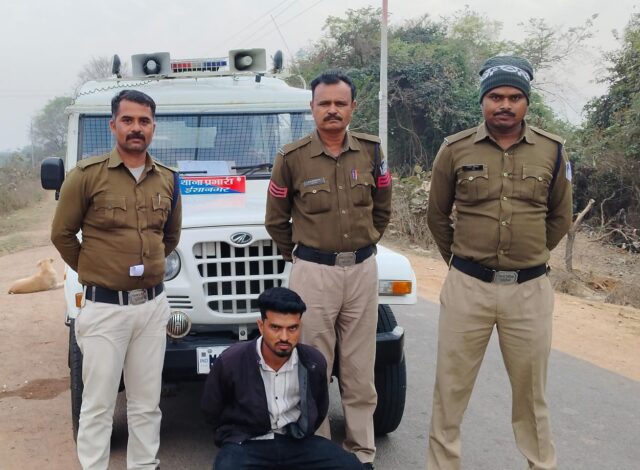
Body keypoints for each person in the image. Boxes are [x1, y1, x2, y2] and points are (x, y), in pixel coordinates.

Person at [426, 56, 573, 470]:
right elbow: (437, 216)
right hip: (467, 288)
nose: (504, 105)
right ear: (483, 101)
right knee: (450, 390)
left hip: (529, 292)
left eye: (513, 97)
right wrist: (462, 263)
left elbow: (560, 216)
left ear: (526, 101)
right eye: (495, 97)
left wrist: (529, 256)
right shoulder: (455, 149)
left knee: (532, 396)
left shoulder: (552, 150)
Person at [265, 70, 392, 468]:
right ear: (312, 108)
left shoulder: (371, 151)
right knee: (313, 365)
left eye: (340, 103)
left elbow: (383, 207)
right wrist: (300, 257)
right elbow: (276, 219)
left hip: (361, 270)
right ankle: (317, 451)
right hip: (314, 273)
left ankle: (361, 453)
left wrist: (366, 241)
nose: (332, 110)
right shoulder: (292, 158)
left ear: (353, 107)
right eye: (325, 103)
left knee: (359, 368)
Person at [51, 89, 182, 470]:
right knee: (98, 405)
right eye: (128, 120)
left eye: (144, 121)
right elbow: (62, 234)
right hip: (105, 309)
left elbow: (170, 236)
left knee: (147, 403)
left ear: (153, 127)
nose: (136, 128)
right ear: (113, 126)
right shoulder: (86, 176)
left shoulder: (168, 179)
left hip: (153, 309)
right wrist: (96, 270)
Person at [201, 287, 363, 470]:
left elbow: (319, 407)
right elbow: (211, 410)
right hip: (247, 443)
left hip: (296, 442)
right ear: (261, 326)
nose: (284, 337)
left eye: (292, 328)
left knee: (351, 466)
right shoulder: (231, 361)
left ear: (300, 326)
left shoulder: (313, 362)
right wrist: (233, 438)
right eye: (276, 328)